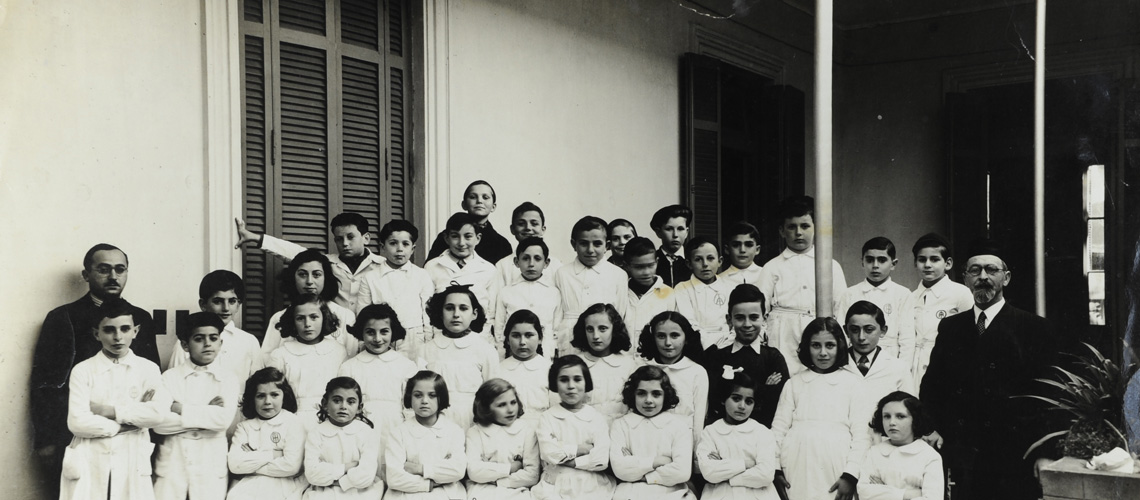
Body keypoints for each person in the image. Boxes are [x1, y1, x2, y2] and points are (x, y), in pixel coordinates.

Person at [920, 239, 1061, 500]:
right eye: (975, 270)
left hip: (1015, 456)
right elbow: (932, 387)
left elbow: (1049, 398)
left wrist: (1045, 452)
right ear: (965, 278)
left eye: (991, 270)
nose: (982, 277)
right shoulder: (951, 328)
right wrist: (931, 428)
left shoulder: (1034, 328)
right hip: (964, 454)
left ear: (1006, 278)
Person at [31, 244, 161, 494]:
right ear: (86, 274)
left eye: (119, 269)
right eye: (103, 269)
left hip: (131, 437)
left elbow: (151, 388)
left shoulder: (140, 318)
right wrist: (46, 439)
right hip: (76, 436)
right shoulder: (63, 317)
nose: (113, 276)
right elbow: (45, 383)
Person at [59, 299, 171, 500]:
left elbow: (157, 414)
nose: (118, 337)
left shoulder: (148, 369)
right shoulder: (83, 371)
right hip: (90, 457)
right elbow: (77, 423)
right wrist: (126, 424)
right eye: (109, 330)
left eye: (125, 329)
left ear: (135, 331)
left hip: (132, 456)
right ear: (96, 333)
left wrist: (109, 411)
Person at [770, 317, 869, 500]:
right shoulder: (794, 383)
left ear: (839, 346)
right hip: (797, 464)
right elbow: (778, 430)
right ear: (807, 347)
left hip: (837, 464)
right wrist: (775, 469)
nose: (823, 353)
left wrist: (850, 475)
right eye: (816, 345)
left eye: (830, 345)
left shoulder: (853, 384)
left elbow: (862, 435)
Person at [155, 312, 240, 500]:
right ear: (185, 345)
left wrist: (181, 408)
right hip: (174, 464)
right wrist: (206, 411)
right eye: (199, 339)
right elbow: (159, 423)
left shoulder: (228, 379)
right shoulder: (169, 377)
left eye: (213, 338)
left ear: (221, 343)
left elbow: (222, 420)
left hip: (209, 464)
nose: (207, 344)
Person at [757, 196, 847, 374]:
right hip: (783, 335)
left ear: (816, 228)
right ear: (782, 231)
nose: (798, 232)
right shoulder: (772, 267)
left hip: (819, 333)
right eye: (792, 227)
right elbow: (760, 310)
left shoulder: (830, 265)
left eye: (805, 226)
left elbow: (841, 306)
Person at [236, 212, 385, 312]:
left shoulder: (383, 266)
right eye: (339, 239)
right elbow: (292, 252)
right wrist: (254, 237)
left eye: (350, 237)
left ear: (366, 238)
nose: (344, 243)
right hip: (335, 331)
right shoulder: (326, 262)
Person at [337, 302, 420, 477]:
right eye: (370, 332)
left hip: (395, 428)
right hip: (361, 430)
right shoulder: (350, 367)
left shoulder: (406, 366)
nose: (377, 339)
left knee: (393, 472)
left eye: (384, 331)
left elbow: (411, 408)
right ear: (361, 332)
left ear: (393, 332)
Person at [702, 284, 788, 427]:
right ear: (729, 320)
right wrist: (764, 389)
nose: (747, 324)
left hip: (764, 432)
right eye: (740, 318)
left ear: (765, 318)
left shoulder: (773, 358)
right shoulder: (718, 357)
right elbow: (715, 400)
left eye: (754, 317)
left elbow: (779, 402)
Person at [533, 355, 616, 500]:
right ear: (555, 383)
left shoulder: (596, 418)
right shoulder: (548, 418)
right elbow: (549, 453)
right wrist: (581, 449)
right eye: (564, 380)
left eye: (577, 379)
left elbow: (601, 460)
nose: (571, 386)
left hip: (590, 483)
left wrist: (570, 461)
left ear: (586, 383)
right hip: (556, 483)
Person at [898, 233, 973, 393]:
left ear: (948, 263)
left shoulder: (960, 293)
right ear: (915, 263)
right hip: (916, 366)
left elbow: (971, 335)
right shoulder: (911, 297)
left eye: (934, 259)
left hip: (948, 364)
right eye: (922, 259)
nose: (927, 265)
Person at [422, 284, 500, 431]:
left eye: (463, 308)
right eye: (450, 308)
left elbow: (492, 395)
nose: (456, 314)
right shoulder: (426, 350)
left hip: (473, 421)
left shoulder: (485, 350)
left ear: (474, 314)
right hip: (435, 421)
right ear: (440, 312)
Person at [610, 365, 695, 500]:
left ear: (665, 395)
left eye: (656, 394)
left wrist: (644, 475)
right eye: (641, 393)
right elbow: (620, 469)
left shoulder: (678, 426)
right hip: (630, 493)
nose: (648, 400)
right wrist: (656, 462)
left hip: (672, 493)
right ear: (633, 394)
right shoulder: (621, 425)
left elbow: (682, 471)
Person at [697, 372, 781, 500]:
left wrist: (726, 474)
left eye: (749, 401)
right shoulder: (711, 432)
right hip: (720, 495)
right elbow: (709, 472)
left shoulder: (762, 432)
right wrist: (746, 464)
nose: (742, 406)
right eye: (736, 399)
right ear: (723, 399)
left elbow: (766, 475)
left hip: (758, 495)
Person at [358, 219, 435, 359]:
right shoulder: (370, 278)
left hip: (414, 339)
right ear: (383, 247)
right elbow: (363, 314)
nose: (399, 249)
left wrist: (428, 342)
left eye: (405, 244)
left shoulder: (421, 275)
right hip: (381, 336)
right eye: (393, 243)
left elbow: (428, 312)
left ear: (413, 248)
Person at [227, 367, 307, 500]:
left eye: (274, 395)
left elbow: (292, 466)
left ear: (284, 396)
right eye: (260, 396)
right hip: (248, 487)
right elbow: (235, 465)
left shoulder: (292, 423)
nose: (268, 402)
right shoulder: (245, 427)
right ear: (252, 399)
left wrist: (252, 462)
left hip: (284, 486)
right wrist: (274, 454)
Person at [386, 371, 468, 500]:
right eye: (418, 395)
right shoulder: (399, 433)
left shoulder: (454, 431)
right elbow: (394, 478)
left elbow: (458, 471)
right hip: (408, 494)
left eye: (432, 395)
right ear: (409, 398)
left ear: (441, 398)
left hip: (445, 493)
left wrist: (420, 469)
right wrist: (430, 482)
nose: (424, 401)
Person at [261, 249, 359, 358]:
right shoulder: (279, 318)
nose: (309, 281)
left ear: (326, 278)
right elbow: (266, 360)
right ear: (293, 277)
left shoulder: (345, 316)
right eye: (302, 274)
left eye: (316, 275)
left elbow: (350, 359)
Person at [266, 294, 349, 422]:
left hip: (330, 419)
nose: (307, 324)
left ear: (324, 318)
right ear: (292, 321)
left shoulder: (338, 351)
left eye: (314, 317)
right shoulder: (281, 355)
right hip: (291, 420)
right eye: (300, 318)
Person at [169, 270, 263, 382]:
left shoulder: (249, 341)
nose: (226, 308)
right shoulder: (187, 341)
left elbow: (258, 385)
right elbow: (174, 382)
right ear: (203, 305)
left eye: (232, 301)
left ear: (238, 305)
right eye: (218, 301)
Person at [553, 216, 629, 352]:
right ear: (573, 244)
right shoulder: (562, 273)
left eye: (597, 244)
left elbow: (620, 313)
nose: (590, 250)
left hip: (604, 342)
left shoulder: (618, 275)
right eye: (583, 243)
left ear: (607, 245)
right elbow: (556, 314)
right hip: (569, 341)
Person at [841, 301, 914, 442]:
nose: (861, 337)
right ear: (846, 331)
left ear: (883, 331)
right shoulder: (837, 366)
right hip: (844, 442)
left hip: (883, 443)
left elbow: (909, 413)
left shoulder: (898, 368)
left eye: (869, 330)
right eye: (855, 330)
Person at [303, 377, 383, 499]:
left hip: (361, 492)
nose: (343, 406)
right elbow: (312, 474)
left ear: (359, 408)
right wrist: (346, 467)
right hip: (324, 492)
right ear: (325, 404)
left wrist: (339, 482)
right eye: (337, 400)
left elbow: (366, 476)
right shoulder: (316, 433)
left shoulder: (366, 432)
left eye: (350, 402)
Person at [424, 212, 498, 342]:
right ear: (446, 238)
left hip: (478, 339)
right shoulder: (432, 267)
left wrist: (483, 338)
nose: (461, 243)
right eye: (455, 236)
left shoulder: (489, 269)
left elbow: (491, 313)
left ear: (478, 238)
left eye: (468, 236)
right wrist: (431, 339)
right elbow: (427, 309)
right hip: (441, 338)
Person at [834, 237, 912, 361]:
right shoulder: (849, 294)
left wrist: (903, 368)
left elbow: (907, 338)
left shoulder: (902, 294)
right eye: (870, 260)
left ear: (893, 264)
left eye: (882, 260)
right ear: (862, 262)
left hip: (890, 357)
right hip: (856, 357)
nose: (875, 266)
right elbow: (842, 335)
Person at [636, 311, 709, 440]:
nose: (668, 343)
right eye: (661, 336)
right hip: (647, 440)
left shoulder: (697, 372)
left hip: (683, 442)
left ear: (686, 338)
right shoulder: (642, 369)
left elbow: (698, 421)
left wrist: (695, 456)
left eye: (675, 336)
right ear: (653, 338)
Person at [859, 391, 944, 500]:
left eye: (900, 416)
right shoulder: (874, 453)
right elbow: (864, 493)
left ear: (915, 420)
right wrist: (908, 495)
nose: (892, 422)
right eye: (887, 416)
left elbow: (933, 498)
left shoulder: (929, 456)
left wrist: (883, 492)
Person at [465, 378, 541, 500]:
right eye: (501, 405)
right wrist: (510, 468)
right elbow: (474, 471)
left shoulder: (526, 430)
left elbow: (532, 475)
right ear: (486, 408)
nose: (510, 410)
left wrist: (498, 482)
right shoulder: (475, 432)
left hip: (516, 491)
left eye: (513, 402)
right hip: (482, 491)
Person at [567, 303, 641, 423]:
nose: (595, 336)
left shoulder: (629, 365)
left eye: (602, 329)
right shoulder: (574, 364)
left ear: (614, 329)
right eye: (590, 329)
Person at [493, 237, 562, 357]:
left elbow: (557, 330)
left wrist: (553, 352)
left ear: (546, 263)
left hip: (545, 353)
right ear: (516, 262)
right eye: (525, 258)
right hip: (512, 352)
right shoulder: (506, 292)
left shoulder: (554, 293)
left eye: (537, 259)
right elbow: (499, 328)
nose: (531, 264)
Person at [426, 180, 513, 263]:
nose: (479, 201)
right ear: (464, 205)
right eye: (473, 197)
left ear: (493, 206)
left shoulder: (501, 244)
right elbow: (430, 270)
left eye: (485, 197)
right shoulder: (446, 237)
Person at [674, 236, 735, 349]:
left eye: (710, 258)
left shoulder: (730, 287)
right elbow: (689, 324)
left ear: (720, 261)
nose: (705, 264)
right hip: (697, 346)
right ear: (689, 263)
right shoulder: (683, 288)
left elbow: (735, 323)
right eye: (698, 259)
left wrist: (727, 343)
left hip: (729, 345)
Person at [499, 310, 558, 422]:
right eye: (516, 336)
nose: (522, 342)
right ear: (507, 339)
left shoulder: (549, 369)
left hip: (542, 427)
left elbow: (556, 409)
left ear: (540, 338)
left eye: (529, 335)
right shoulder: (499, 369)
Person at [491, 201, 564, 290]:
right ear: (512, 229)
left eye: (534, 224)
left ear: (543, 229)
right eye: (521, 224)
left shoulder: (556, 266)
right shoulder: (502, 266)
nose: (528, 228)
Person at [624, 236, 678, 334]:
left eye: (650, 265)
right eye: (639, 267)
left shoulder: (669, 293)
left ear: (657, 262)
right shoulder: (621, 291)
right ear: (627, 266)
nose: (646, 272)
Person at [651, 204, 693, 287]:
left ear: (687, 232)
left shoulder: (693, 260)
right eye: (669, 229)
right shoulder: (652, 260)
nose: (675, 235)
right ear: (658, 232)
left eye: (680, 229)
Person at [717, 221, 764, 289]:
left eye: (748, 245)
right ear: (727, 249)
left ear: (757, 250)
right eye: (736, 245)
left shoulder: (766, 276)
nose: (742, 250)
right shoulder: (720, 280)